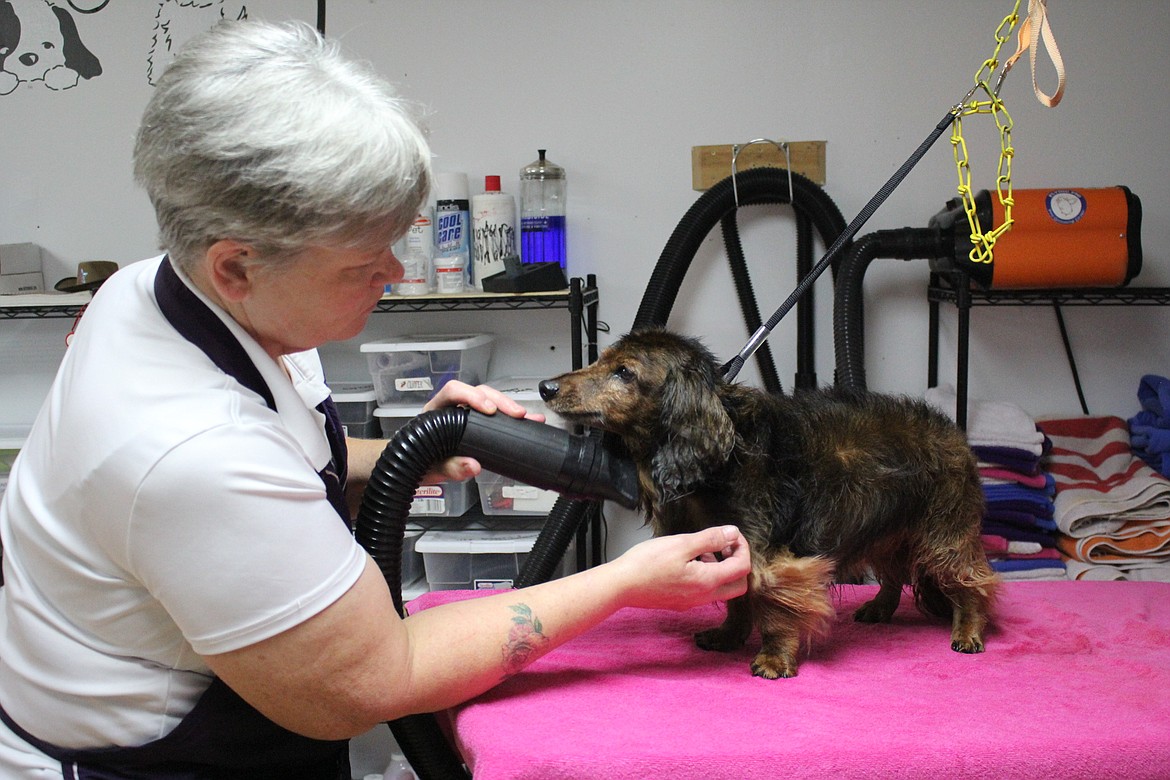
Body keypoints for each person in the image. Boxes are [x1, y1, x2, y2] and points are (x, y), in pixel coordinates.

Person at [0, 19, 751, 779]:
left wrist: (407, 455)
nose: (393, 272)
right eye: (364, 261)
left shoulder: (163, 288)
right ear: (238, 265)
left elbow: (280, 460)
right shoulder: (191, 452)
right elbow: (372, 683)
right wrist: (626, 580)